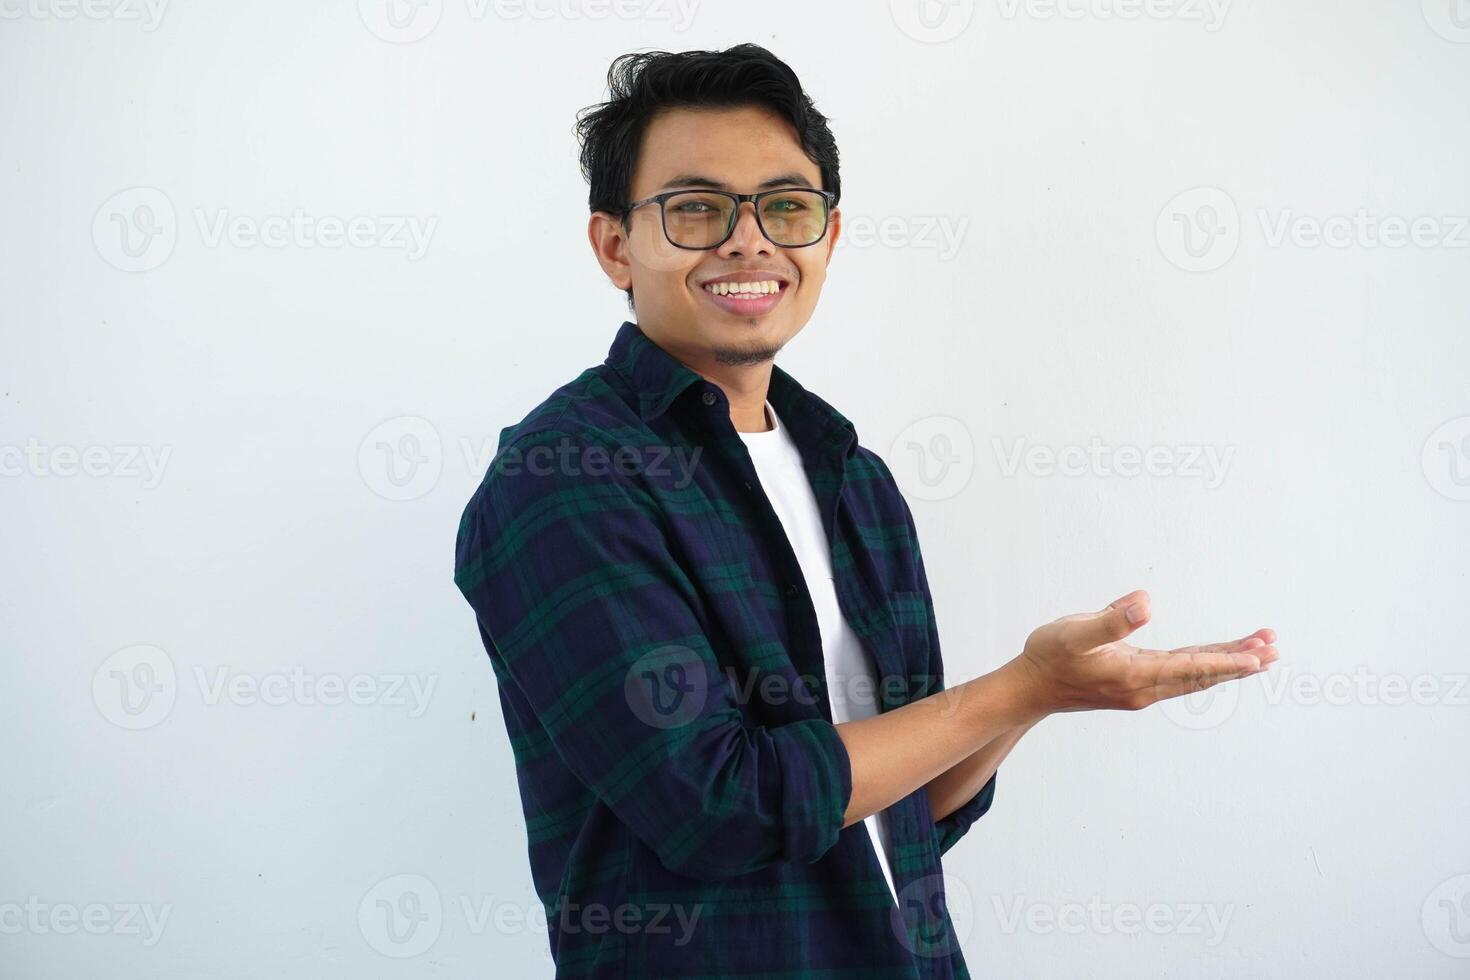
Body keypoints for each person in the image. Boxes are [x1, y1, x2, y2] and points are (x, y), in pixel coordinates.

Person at [452, 43, 1279, 979]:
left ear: (829, 238)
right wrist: (1014, 690)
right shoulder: (565, 477)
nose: (748, 240)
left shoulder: (856, 479)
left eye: (786, 208)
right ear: (614, 247)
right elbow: (718, 808)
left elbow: (912, 807)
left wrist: (1039, 693)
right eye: (695, 209)